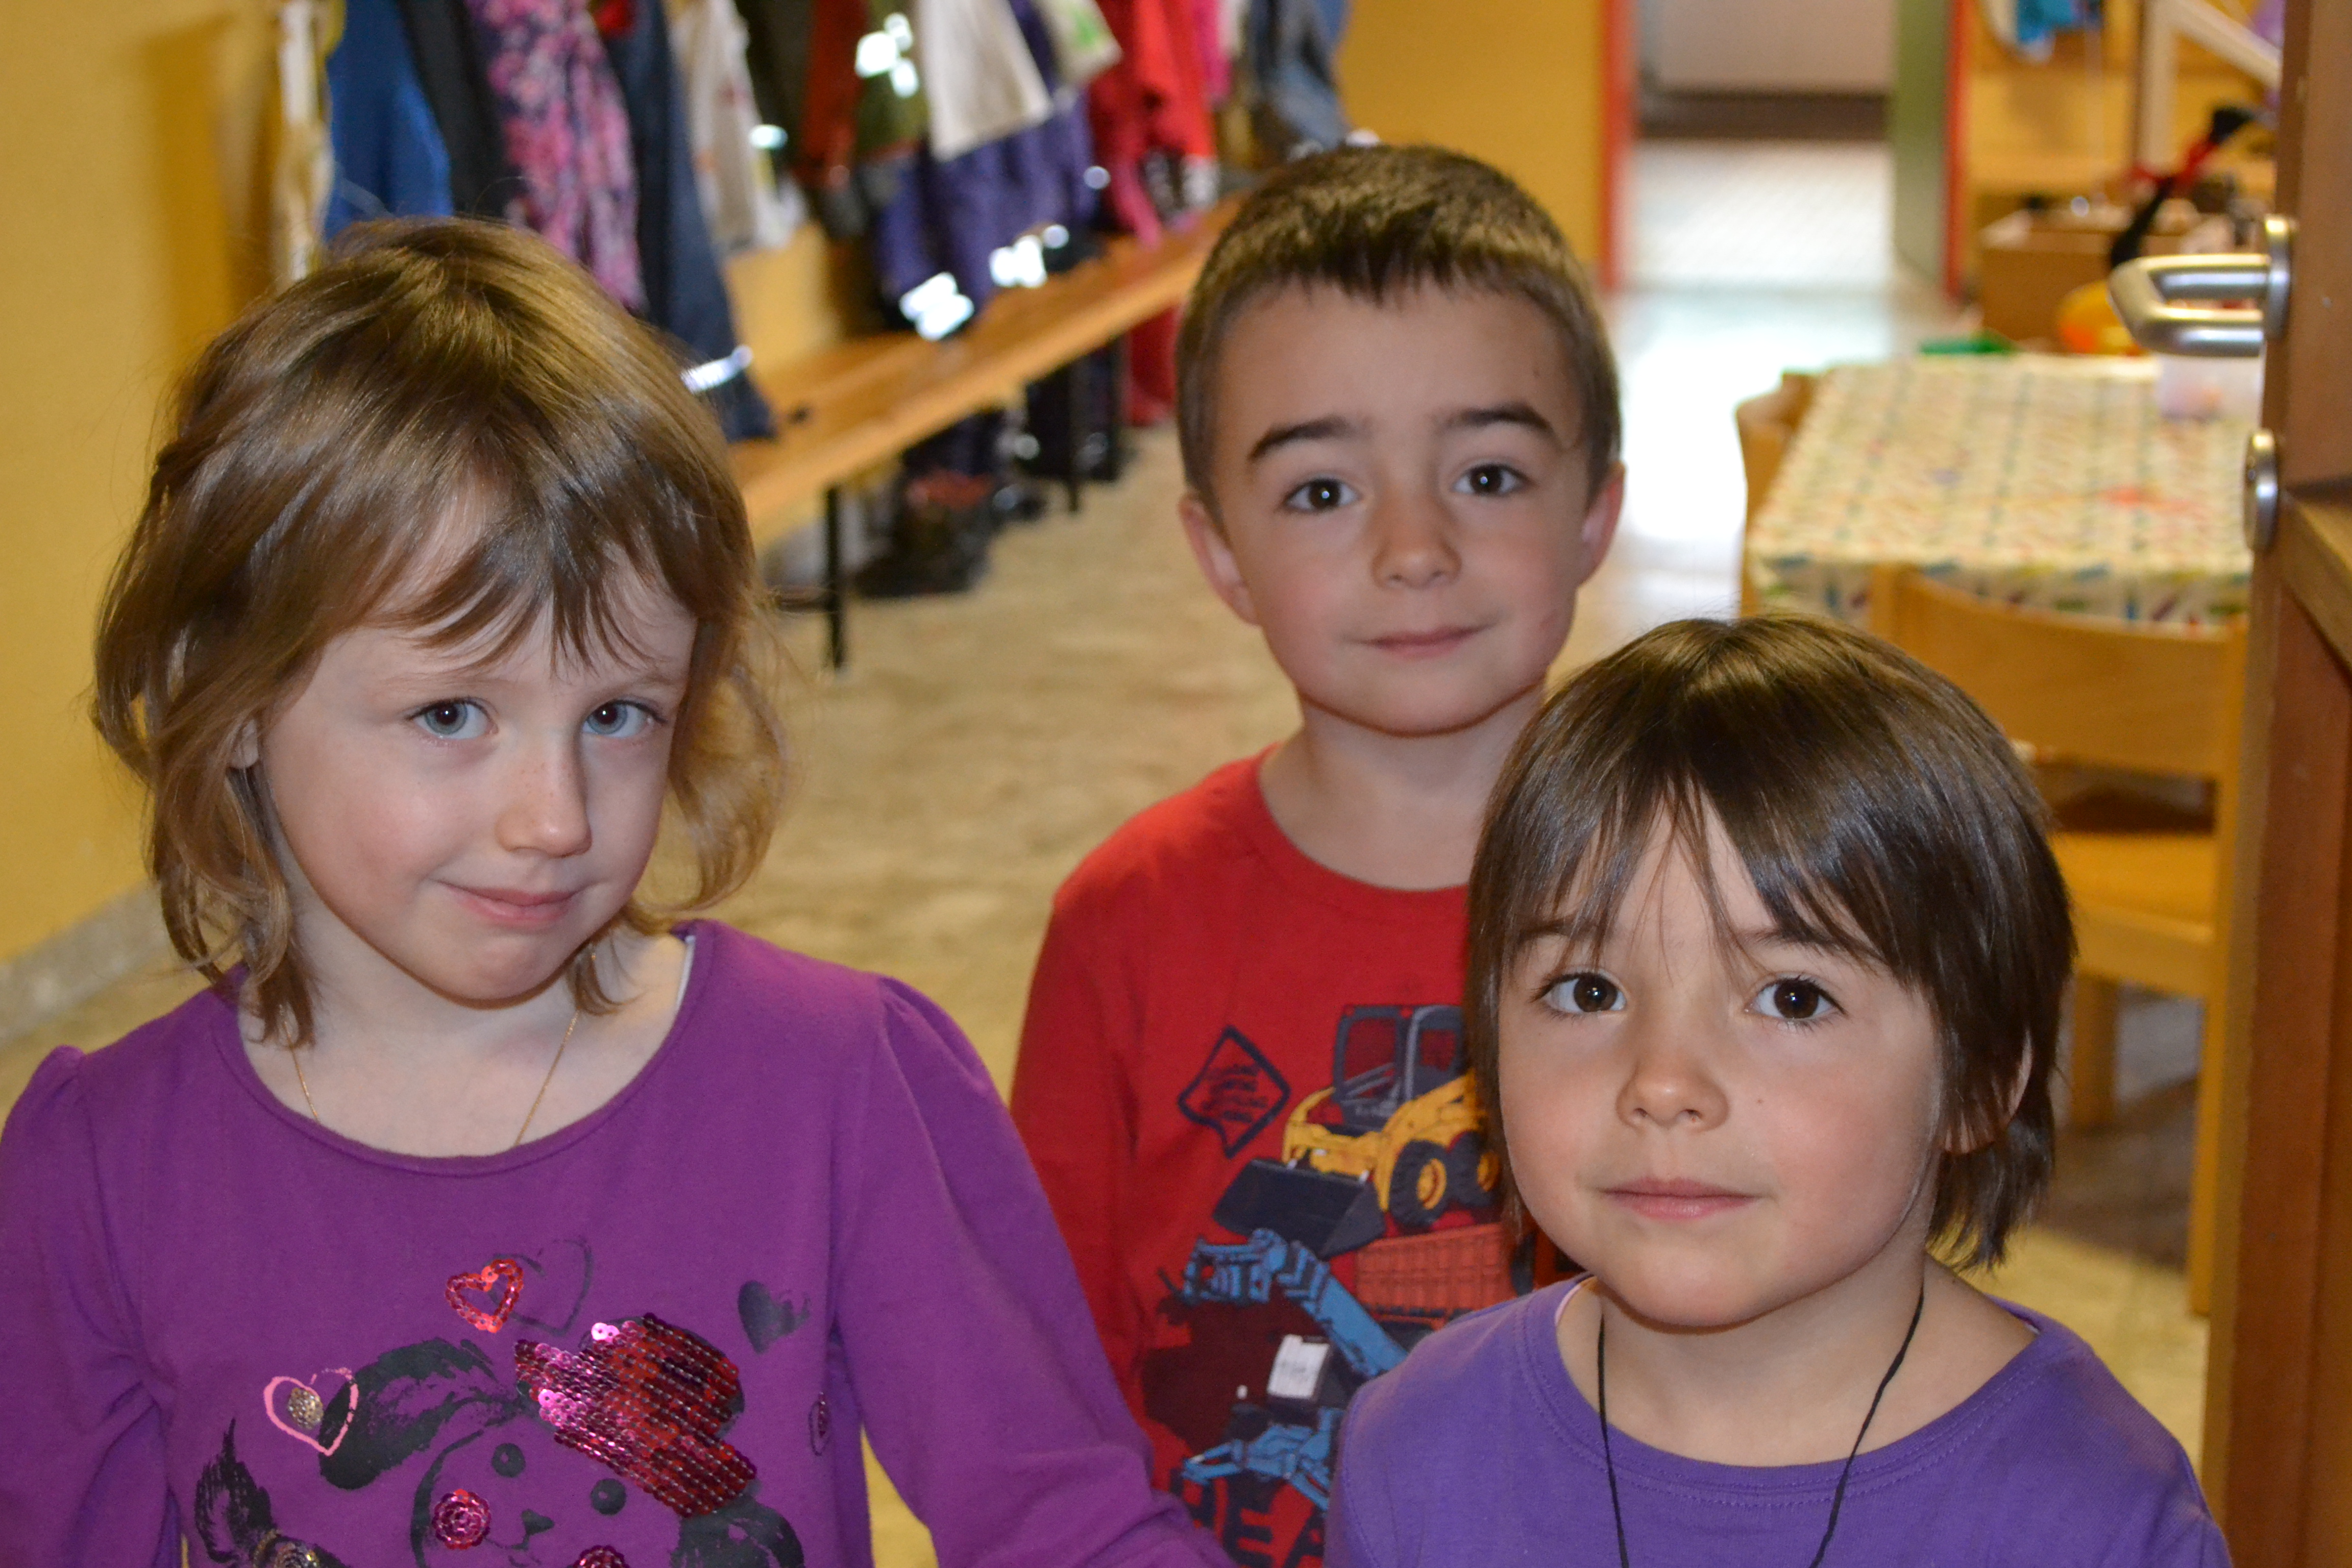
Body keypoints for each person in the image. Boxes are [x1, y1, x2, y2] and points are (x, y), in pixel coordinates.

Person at [0, 218, 1227, 1568]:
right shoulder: (101, 1175)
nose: (557, 819)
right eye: (452, 713)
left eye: (617, 715)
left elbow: (1066, 1523)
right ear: (228, 695)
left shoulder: (837, 1084)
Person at [1009, 144, 1625, 1568]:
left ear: (1594, 511)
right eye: (1322, 492)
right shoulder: (1128, 921)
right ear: (1222, 554)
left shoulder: (1701, 899)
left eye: (1486, 473)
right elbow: (1043, 1384)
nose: (1414, 548)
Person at [1327, 616, 2228, 1566]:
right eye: (1589, 991)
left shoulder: (2099, 1523)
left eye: (1793, 998)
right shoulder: (1414, 1450)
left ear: (1980, 1078)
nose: (1662, 1084)